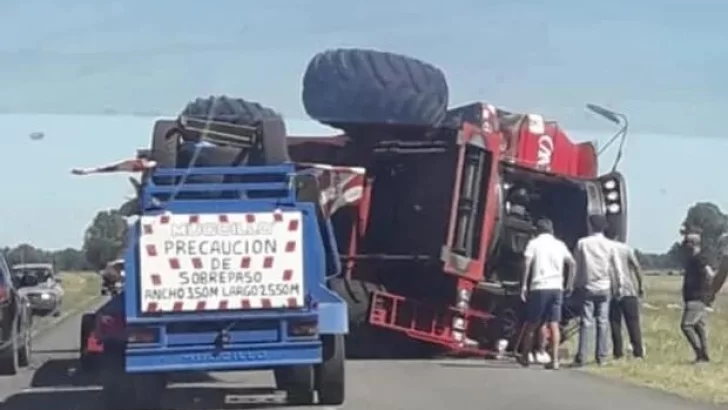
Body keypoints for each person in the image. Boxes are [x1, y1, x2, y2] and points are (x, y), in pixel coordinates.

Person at [518, 218, 576, 370]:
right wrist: (569, 283)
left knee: (533, 323)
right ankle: (555, 359)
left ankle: (525, 356)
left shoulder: (534, 243)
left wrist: (524, 284)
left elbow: (527, 262)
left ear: (537, 230)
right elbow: (572, 263)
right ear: (552, 230)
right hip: (557, 287)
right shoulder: (560, 244)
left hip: (540, 286)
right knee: (554, 324)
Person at [573, 215, 620, 367]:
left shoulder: (582, 243)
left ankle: (582, 355)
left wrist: (575, 283)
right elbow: (616, 267)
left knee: (586, 321)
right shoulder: (610, 245)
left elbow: (577, 266)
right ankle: (601, 356)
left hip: (588, 286)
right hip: (604, 286)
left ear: (590, 226)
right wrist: (618, 285)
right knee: (603, 321)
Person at [606, 226, 645, 360]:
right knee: (633, 322)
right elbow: (636, 267)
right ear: (617, 236)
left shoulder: (603, 249)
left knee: (615, 323)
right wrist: (640, 286)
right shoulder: (626, 249)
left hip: (611, 291)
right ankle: (638, 351)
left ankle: (618, 353)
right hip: (628, 290)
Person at [680, 233, 714, 363]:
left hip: (696, 297)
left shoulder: (699, 259)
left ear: (693, 244)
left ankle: (700, 353)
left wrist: (705, 289)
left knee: (686, 325)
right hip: (694, 298)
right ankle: (704, 357)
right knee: (700, 328)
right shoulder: (692, 259)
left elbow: (709, 273)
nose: (684, 246)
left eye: (686, 243)